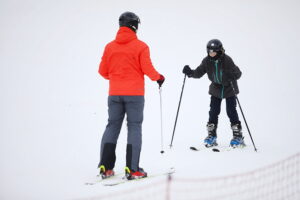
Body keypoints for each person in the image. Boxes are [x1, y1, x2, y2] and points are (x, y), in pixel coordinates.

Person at [98, 11, 165, 180]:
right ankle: (132, 169)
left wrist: (116, 78)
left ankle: (105, 167)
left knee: (112, 126)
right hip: (134, 95)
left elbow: (102, 71)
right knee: (134, 127)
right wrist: (159, 78)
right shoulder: (141, 46)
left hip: (114, 94)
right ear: (134, 26)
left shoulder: (110, 46)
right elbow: (148, 70)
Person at [182, 39, 245, 148]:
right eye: (209, 52)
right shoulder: (207, 61)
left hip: (229, 88)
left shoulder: (227, 60)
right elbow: (199, 72)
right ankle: (212, 136)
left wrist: (232, 74)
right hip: (215, 88)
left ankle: (238, 136)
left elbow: (238, 74)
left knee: (231, 111)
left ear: (219, 51)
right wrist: (190, 72)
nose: (211, 54)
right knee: (213, 111)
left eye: (213, 52)